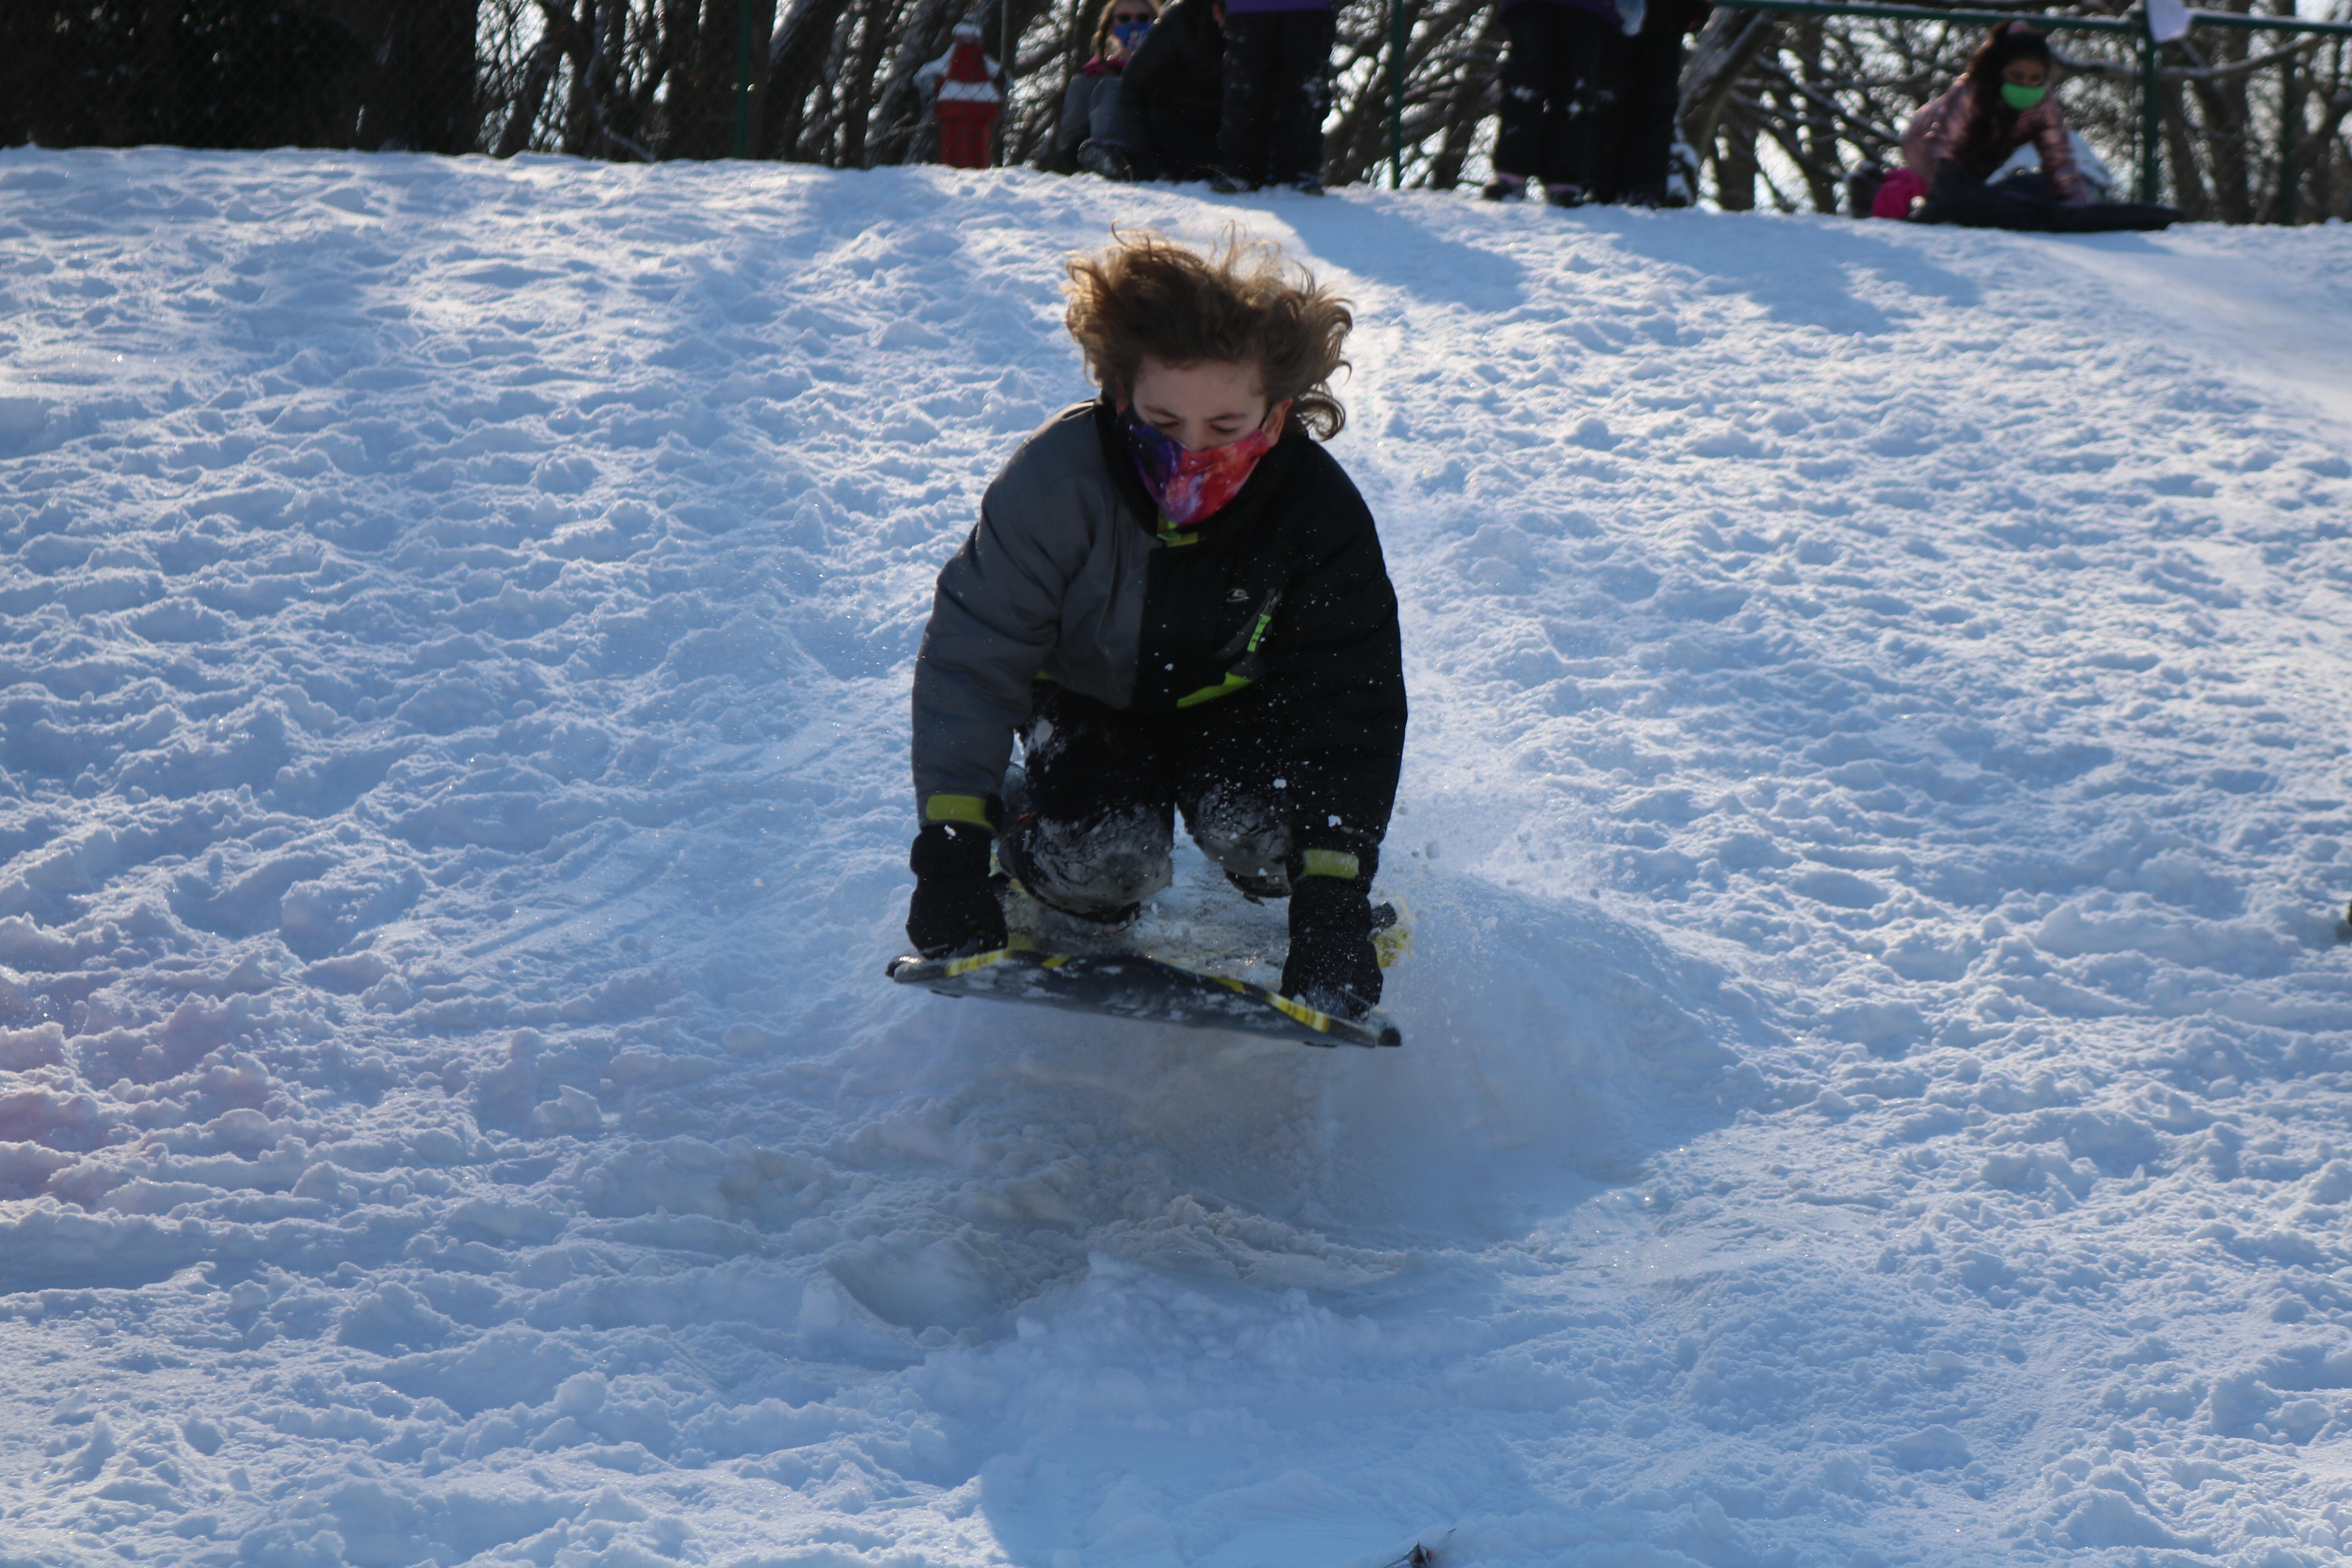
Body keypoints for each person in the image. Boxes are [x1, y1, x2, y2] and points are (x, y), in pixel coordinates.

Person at [905, 232, 1408, 1016]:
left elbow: (1350, 698)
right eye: (1163, 423)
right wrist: (952, 854)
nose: (1192, 454)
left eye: (1225, 426)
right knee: (1108, 861)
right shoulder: (1056, 480)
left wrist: (1334, 897)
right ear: (1119, 396)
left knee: (1272, 839)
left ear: (1275, 415)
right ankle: (1030, 830)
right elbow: (974, 659)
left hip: (1232, 705)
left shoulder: (1316, 511)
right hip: (1085, 701)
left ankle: (1299, 873)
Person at [1898, 22, 2181, 231]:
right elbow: (1942, 148)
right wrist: (1943, 198)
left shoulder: (2043, 105)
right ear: (1999, 73)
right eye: (2017, 76)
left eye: (2036, 79)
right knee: (1953, 196)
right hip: (1925, 142)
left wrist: (2076, 213)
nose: (2027, 85)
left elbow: (2060, 159)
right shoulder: (1970, 93)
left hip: (1983, 158)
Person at [1483, 0, 1624, 205]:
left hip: (1593, 8)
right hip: (1533, 8)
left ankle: (1564, 179)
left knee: (1576, 92)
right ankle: (1511, 173)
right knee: (1525, 85)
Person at [1209, 0, 1335, 193]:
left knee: (1305, 87)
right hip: (1250, 7)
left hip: (1309, 8)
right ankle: (1240, 168)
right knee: (1245, 88)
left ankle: (1299, 170)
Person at [1118, 0, 1229, 182]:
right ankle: (1119, 158)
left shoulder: (1270, 16)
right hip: (1181, 125)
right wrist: (1146, 154)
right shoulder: (1182, 21)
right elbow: (1133, 86)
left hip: (1234, 127)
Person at [1056, 0, 1160, 179]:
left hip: (1159, 154)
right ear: (1112, 27)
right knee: (1111, 87)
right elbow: (1069, 140)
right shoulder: (1090, 77)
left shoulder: (1173, 71)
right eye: (1125, 19)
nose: (1134, 25)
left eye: (1143, 18)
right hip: (1108, 156)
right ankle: (1111, 157)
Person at [916, 19, 1007, 169]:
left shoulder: (951, 59)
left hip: (952, 102)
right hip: (982, 102)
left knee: (952, 150)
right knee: (978, 150)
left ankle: (953, 171)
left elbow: (926, 75)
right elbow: (1001, 75)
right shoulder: (981, 61)